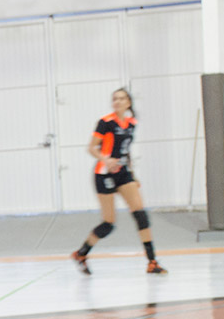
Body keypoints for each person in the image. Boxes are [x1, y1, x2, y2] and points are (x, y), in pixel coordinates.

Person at [71, 88, 167, 275]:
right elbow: (91, 148)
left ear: (128, 102)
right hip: (104, 174)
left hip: (123, 172)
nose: (118, 102)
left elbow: (126, 150)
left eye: (122, 99)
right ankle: (82, 253)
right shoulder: (105, 122)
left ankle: (152, 262)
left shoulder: (131, 123)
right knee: (108, 223)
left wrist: (132, 173)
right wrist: (105, 159)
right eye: (115, 99)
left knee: (141, 215)